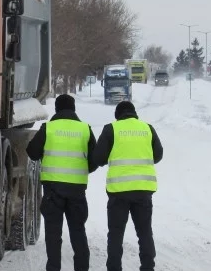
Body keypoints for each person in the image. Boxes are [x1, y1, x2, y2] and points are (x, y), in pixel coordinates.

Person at [26, 94, 98, 271]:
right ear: (73, 109)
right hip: (77, 190)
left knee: (53, 234)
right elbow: (95, 159)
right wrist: (82, 170)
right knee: (78, 231)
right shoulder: (85, 129)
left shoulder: (48, 128)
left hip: (52, 191)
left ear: (57, 109)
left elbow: (32, 152)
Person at [93, 101, 163, 271]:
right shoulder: (148, 128)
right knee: (145, 232)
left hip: (119, 192)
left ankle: (114, 268)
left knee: (116, 234)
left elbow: (98, 158)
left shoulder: (111, 129)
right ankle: (148, 267)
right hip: (143, 191)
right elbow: (158, 155)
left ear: (118, 115)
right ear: (134, 113)